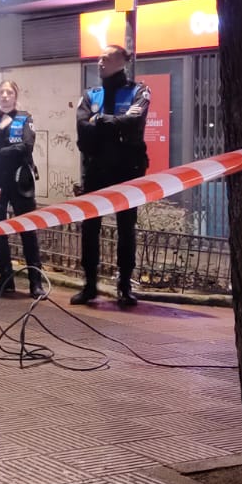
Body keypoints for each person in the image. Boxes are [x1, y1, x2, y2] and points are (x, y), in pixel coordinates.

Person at [73, 45, 152, 308]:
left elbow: (134, 121)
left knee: (126, 228)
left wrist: (103, 122)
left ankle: (124, 286)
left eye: (106, 57)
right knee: (90, 228)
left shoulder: (138, 91)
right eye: (99, 57)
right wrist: (111, 123)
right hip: (96, 170)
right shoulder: (91, 94)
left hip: (127, 171)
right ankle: (90, 285)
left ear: (122, 61)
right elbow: (83, 129)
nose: (100, 61)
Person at [0, 80, 46, 298]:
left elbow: (25, 146)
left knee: (27, 230)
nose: (5, 96)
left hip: (20, 180)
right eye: (1, 92)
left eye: (9, 92)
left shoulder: (25, 118)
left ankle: (36, 282)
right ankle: (5, 278)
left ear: (16, 95)